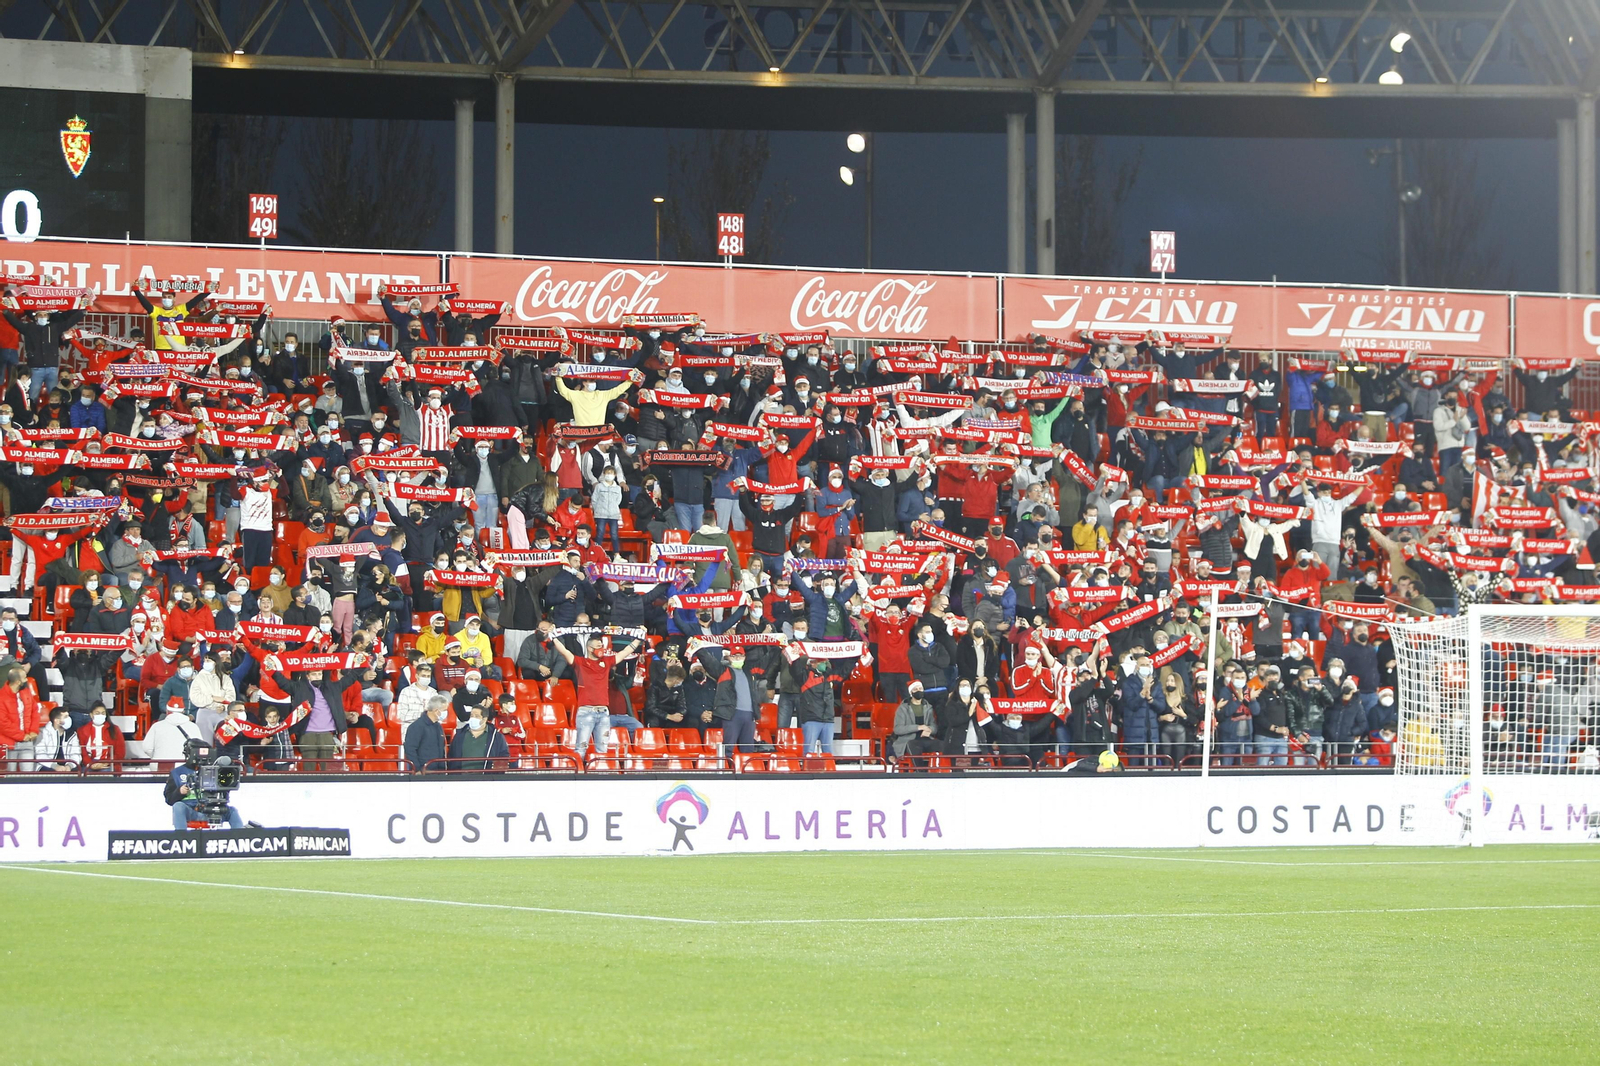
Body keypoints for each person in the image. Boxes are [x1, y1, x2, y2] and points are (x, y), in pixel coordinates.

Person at [552, 631, 643, 758]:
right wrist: (554, 638)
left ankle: (601, 774)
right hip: (586, 711)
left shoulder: (606, 662)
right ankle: (578, 775)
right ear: (590, 648)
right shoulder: (580, 662)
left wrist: (638, 640)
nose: (601, 649)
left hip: (603, 712)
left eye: (601, 646)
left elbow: (624, 652)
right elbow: (565, 652)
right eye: (598, 646)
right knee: (581, 748)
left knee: (602, 748)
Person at [164, 739, 244, 830]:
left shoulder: (217, 770)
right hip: (191, 810)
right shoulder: (177, 773)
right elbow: (169, 799)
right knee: (178, 806)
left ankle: (240, 837)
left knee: (232, 810)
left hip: (213, 809)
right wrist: (179, 792)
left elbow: (226, 794)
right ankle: (181, 837)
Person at [404, 695, 449, 773]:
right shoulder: (417, 726)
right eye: (444, 710)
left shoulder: (438, 726)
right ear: (436, 711)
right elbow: (410, 749)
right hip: (423, 772)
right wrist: (417, 769)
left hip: (438, 772)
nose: (446, 712)